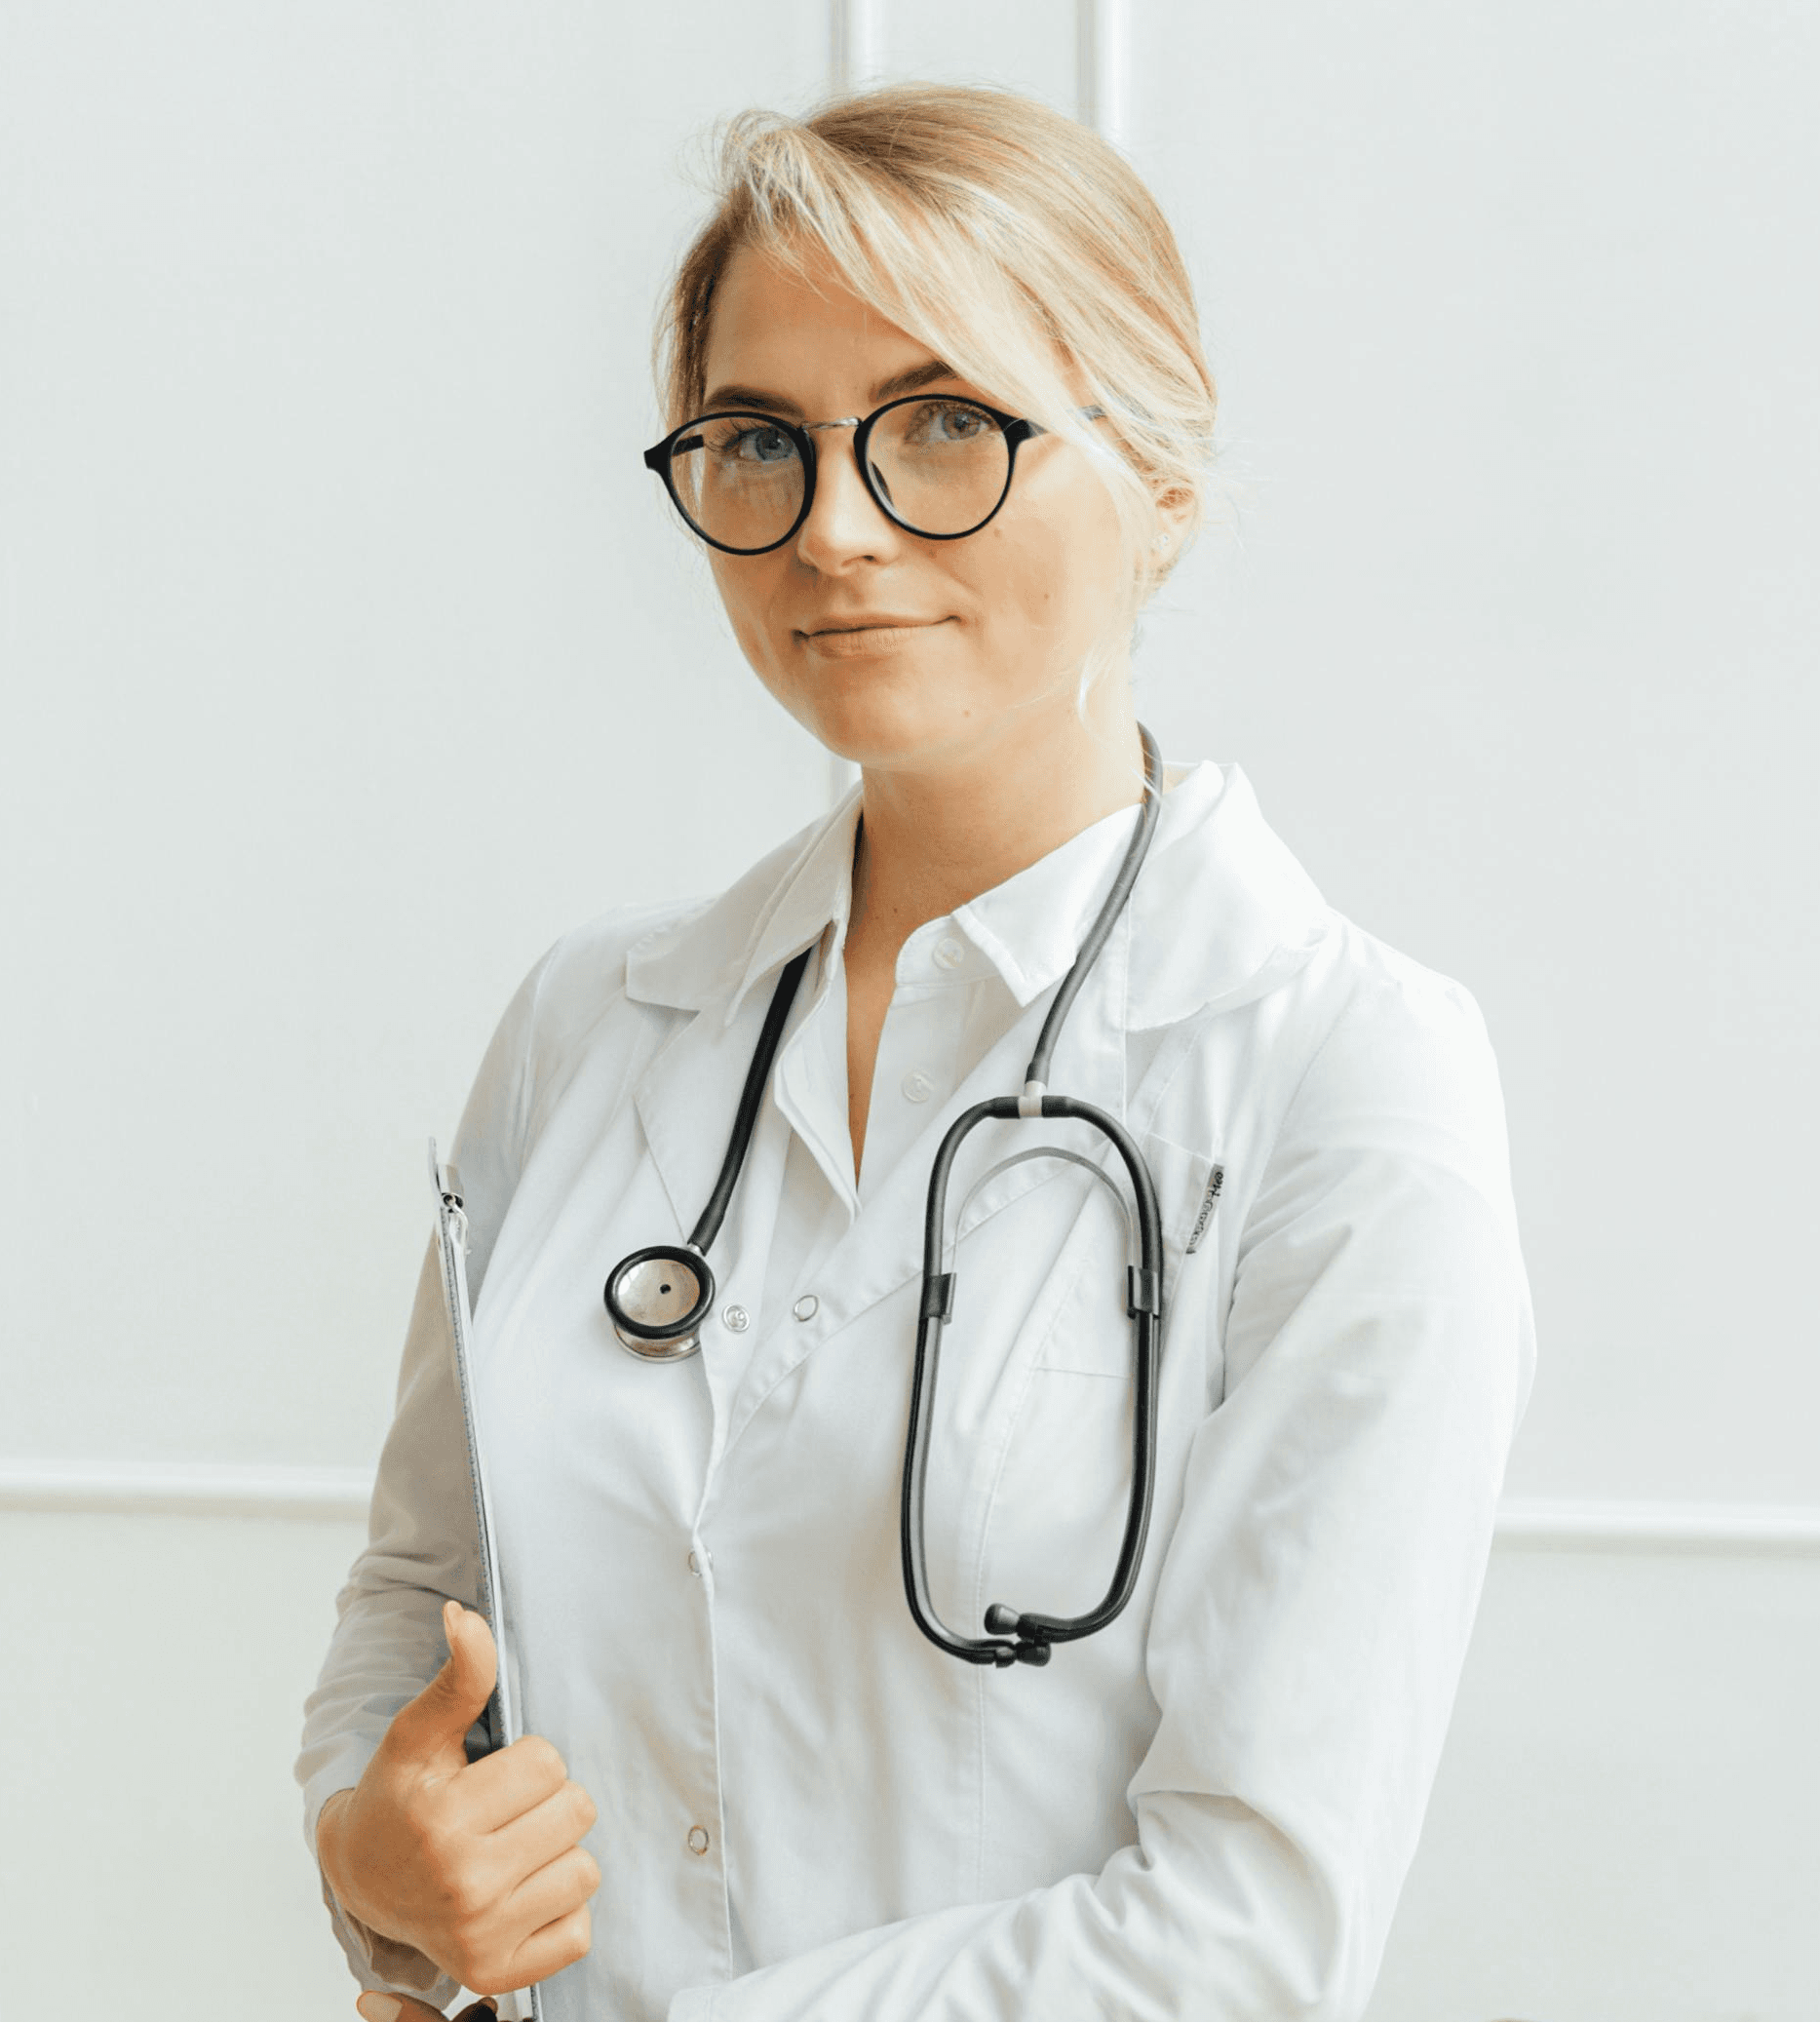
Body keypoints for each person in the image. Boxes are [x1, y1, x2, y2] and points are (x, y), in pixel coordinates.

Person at [297, 81, 1534, 2022]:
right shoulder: (584, 1029)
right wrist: (373, 1860)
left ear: (1162, 478)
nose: (839, 527)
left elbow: (1248, 1932)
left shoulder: (1340, 1077)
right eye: (758, 441)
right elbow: (420, 1612)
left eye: (946, 421)